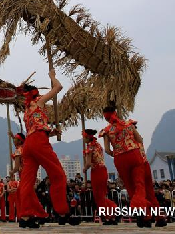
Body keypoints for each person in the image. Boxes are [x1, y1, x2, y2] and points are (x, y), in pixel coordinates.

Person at [18, 69, 80, 228]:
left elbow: (35, 130)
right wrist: (52, 77)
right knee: (58, 176)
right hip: (38, 142)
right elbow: (58, 88)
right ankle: (62, 212)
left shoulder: (26, 111)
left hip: (29, 144)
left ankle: (25, 217)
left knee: (26, 182)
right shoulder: (39, 102)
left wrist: (50, 133)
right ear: (35, 93)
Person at [100, 106, 152, 228]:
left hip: (120, 159)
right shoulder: (129, 124)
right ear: (116, 113)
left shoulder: (106, 131)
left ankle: (141, 213)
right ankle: (144, 212)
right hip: (134, 154)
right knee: (139, 184)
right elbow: (140, 140)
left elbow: (107, 150)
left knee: (130, 187)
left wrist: (117, 153)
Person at [82, 129, 117, 225]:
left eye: (84, 137)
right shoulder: (98, 146)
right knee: (102, 195)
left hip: (96, 172)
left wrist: (84, 169)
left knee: (98, 196)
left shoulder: (89, 147)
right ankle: (112, 213)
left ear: (87, 137)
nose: (83, 139)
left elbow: (89, 163)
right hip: (103, 170)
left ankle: (108, 217)